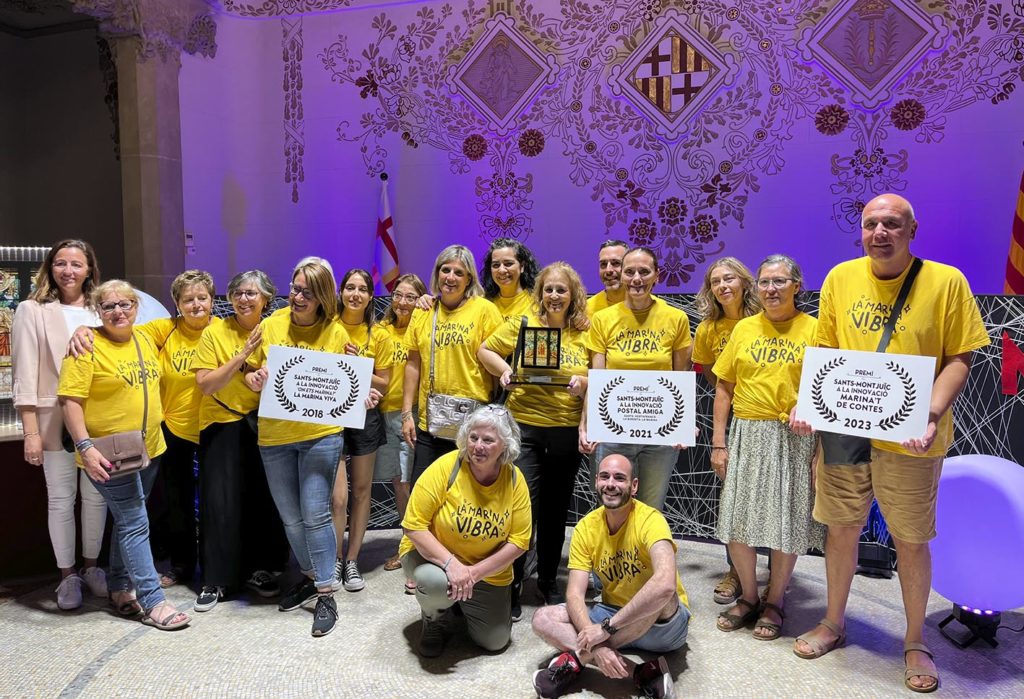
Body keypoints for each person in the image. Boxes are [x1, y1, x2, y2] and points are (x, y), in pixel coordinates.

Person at [791, 194, 989, 693]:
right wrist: (808, 402)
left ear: (912, 230)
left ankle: (916, 639)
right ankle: (834, 622)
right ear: (861, 231)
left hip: (912, 438)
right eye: (871, 224)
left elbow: (959, 357)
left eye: (892, 224)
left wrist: (931, 413)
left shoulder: (946, 282)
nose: (880, 232)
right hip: (845, 428)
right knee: (840, 528)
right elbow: (827, 352)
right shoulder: (839, 278)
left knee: (911, 538)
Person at [58, 279, 190, 630]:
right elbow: (70, 402)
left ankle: (118, 588)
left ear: (136, 306)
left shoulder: (147, 337)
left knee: (128, 518)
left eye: (125, 304)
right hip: (106, 455)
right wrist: (85, 447)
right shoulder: (86, 346)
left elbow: (192, 319)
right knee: (134, 522)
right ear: (97, 312)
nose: (118, 311)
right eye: (108, 306)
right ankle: (153, 601)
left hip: (148, 449)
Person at [711, 254, 825, 640]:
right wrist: (719, 443)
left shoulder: (815, 329)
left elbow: (828, 384)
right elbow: (724, 387)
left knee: (784, 523)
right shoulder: (744, 329)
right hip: (746, 433)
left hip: (793, 439)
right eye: (764, 282)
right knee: (736, 523)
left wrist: (806, 406)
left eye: (779, 282)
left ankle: (775, 600)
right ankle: (748, 595)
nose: (771, 289)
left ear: (797, 286)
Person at [244, 259, 357, 637]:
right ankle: (311, 576)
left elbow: (345, 384)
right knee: (290, 518)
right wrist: (254, 377)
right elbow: (251, 374)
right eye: (294, 288)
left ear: (323, 296)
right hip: (275, 437)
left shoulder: (337, 331)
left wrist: (357, 381)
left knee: (315, 514)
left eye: (307, 292)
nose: (297, 296)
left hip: (321, 435)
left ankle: (326, 592)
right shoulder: (270, 325)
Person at [478, 261, 590, 616]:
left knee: (556, 511)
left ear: (572, 295)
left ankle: (546, 582)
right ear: (540, 293)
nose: (554, 296)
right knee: (522, 510)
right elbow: (485, 350)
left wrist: (583, 384)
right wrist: (506, 369)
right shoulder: (523, 324)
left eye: (562, 290)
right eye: (548, 289)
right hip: (525, 429)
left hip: (566, 431)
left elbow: (597, 375)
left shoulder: (585, 332)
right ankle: (511, 584)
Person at [531, 454, 689, 699]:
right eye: (604, 476)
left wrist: (604, 631)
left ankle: (577, 660)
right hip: (613, 613)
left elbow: (666, 584)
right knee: (542, 618)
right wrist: (599, 643)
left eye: (619, 478)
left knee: (659, 594)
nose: (611, 484)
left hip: (662, 627)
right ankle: (641, 673)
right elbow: (574, 593)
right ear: (596, 482)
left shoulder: (651, 520)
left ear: (633, 486)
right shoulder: (586, 527)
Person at [12, 239, 108, 610]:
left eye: (77, 264)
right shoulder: (31, 310)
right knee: (61, 499)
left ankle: (92, 567)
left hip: (98, 417)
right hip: (54, 419)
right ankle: (67, 576)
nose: (68, 271)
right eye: (61, 263)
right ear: (51, 267)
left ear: (89, 270)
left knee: (97, 498)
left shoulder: (103, 309)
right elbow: (25, 374)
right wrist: (31, 432)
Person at [190, 270, 288, 612]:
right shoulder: (215, 332)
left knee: (262, 499)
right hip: (222, 421)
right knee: (220, 501)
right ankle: (216, 578)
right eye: (238, 293)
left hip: (266, 424)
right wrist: (243, 359)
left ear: (266, 299)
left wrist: (264, 376)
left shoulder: (276, 328)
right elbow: (206, 384)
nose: (244, 299)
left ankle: (259, 570)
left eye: (252, 293)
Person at [399, 404, 531, 657]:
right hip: (435, 560)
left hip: (483, 570)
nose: (478, 446)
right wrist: (451, 565)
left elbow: (519, 542)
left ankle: (461, 599)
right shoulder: (446, 467)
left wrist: (471, 574)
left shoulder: (515, 480)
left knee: (495, 641)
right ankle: (434, 619)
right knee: (433, 582)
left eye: (488, 440)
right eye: (473, 437)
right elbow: (413, 526)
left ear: (505, 445)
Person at [581, 246, 693, 512]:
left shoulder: (676, 318)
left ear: (657, 275)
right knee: (609, 505)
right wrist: (586, 424)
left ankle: (642, 555)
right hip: (613, 431)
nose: (636, 279)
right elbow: (598, 379)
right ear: (621, 275)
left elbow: (681, 377)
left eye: (644, 272)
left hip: (660, 433)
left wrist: (684, 425)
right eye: (629, 272)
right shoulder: (603, 319)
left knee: (650, 508)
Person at [692, 257, 762, 606]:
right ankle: (736, 571)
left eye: (729, 278)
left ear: (745, 282)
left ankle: (777, 578)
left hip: (769, 416)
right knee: (732, 497)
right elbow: (709, 371)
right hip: (732, 417)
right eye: (716, 281)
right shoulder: (708, 329)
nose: (723, 286)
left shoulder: (766, 318)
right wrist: (731, 392)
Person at [401, 245, 502, 483]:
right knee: (424, 494)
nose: (451, 277)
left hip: (475, 426)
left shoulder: (485, 310)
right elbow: (413, 365)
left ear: (469, 279)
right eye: (446, 270)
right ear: (437, 273)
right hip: (431, 424)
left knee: (467, 497)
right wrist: (407, 414)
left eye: (459, 272)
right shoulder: (423, 311)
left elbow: (497, 362)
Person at [330, 268, 393, 592]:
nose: (355, 294)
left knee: (361, 491)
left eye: (362, 289)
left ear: (370, 296)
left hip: (366, 417)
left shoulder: (378, 333)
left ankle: (352, 560)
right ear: (341, 292)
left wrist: (359, 365)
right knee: (338, 498)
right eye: (350, 288)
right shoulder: (327, 326)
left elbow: (385, 381)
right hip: (331, 416)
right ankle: (335, 558)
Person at [375, 273, 428, 583]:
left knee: (414, 484)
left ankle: (416, 549)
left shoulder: (424, 327)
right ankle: (405, 543)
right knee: (398, 483)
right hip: (385, 414)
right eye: (398, 295)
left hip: (416, 414)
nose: (403, 301)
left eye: (411, 296)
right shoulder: (380, 331)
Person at [481, 237, 539, 321]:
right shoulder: (484, 303)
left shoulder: (537, 302)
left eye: (508, 264)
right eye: (496, 265)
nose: (501, 270)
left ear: (522, 266)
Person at [585, 239, 628, 316]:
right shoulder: (586, 309)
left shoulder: (648, 305)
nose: (608, 270)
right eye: (603, 264)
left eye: (616, 263)